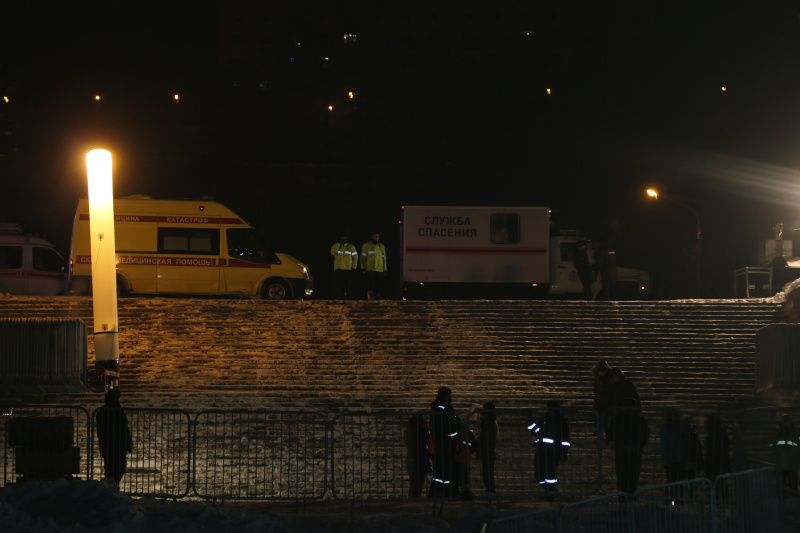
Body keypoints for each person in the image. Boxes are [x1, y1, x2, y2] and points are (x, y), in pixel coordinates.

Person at [528, 401, 571, 500]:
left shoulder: (560, 421)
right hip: (542, 450)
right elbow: (534, 430)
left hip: (553, 452)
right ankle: (550, 490)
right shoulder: (544, 420)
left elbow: (565, 440)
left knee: (550, 474)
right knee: (539, 474)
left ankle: (551, 492)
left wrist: (563, 452)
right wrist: (530, 419)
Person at [608, 398, 649, 494]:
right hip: (625, 451)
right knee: (625, 477)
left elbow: (645, 435)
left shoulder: (636, 420)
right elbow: (611, 434)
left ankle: (628, 497)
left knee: (631, 477)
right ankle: (626, 497)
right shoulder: (620, 420)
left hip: (631, 451)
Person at [427, 387, 461, 498]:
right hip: (444, 444)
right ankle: (442, 493)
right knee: (443, 471)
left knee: (443, 471)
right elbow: (446, 426)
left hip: (445, 443)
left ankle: (443, 492)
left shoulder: (441, 407)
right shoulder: (442, 408)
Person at [95, 388, 133, 485]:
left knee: (111, 468)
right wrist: (128, 442)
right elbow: (124, 428)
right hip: (117, 444)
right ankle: (112, 487)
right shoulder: (115, 410)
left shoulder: (105, 411)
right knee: (117, 467)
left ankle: (112, 487)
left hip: (110, 444)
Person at [770, 414, 800, 498]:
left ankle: (792, 502)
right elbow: (772, 448)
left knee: (792, 486)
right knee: (782, 488)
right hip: (783, 465)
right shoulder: (778, 435)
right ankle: (784, 503)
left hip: (791, 465)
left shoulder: (796, 434)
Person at [659, 412, 685, 504]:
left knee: (670, 480)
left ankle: (669, 501)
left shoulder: (664, 430)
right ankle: (678, 501)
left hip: (668, 460)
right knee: (678, 482)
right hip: (678, 459)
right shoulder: (678, 430)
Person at [405, 413, 430, 498]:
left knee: (414, 480)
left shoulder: (408, 431)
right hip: (420, 457)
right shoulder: (422, 431)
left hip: (411, 457)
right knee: (418, 480)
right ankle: (414, 497)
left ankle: (413, 497)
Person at [477, 402, 499, 493]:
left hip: (488, 450)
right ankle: (490, 490)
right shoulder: (489, 421)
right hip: (487, 450)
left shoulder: (489, 422)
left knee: (488, 472)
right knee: (487, 472)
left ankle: (490, 490)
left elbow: (487, 437)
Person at [330, 234, 359, 299]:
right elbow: (333, 252)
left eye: (345, 237)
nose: (343, 239)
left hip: (348, 268)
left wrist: (354, 267)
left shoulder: (351, 246)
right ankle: (339, 298)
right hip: (338, 268)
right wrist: (338, 244)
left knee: (347, 284)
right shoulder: (336, 246)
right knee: (338, 285)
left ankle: (348, 298)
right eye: (342, 237)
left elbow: (355, 257)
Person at [704, 415, 731, 485]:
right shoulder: (721, 433)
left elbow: (711, 451)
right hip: (720, 463)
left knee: (716, 484)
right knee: (721, 484)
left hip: (715, 464)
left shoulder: (712, 434)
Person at [360, 231, 387, 300]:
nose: (377, 238)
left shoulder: (381, 246)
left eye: (378, 236)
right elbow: (363, 258)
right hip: (370, 268)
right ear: (372, 237)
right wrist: (363, 268)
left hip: (379, 269)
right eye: (375, 236)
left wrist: (385, 269)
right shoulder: (366, 245)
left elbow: (384, 258)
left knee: (378, 286)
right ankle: (370, 297)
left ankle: (377, 297)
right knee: (370, 285)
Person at [592, 359, 614, 425]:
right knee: (598, 416)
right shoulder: (597, 376)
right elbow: (596, 387)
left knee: (605, 417)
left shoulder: (609, 377)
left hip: (606, 400)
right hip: (599, 399)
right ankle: (598, 428)